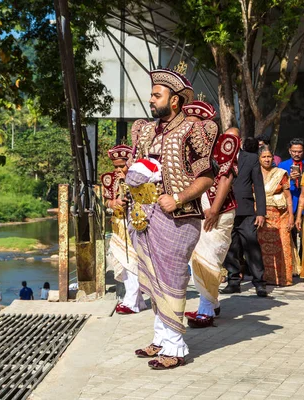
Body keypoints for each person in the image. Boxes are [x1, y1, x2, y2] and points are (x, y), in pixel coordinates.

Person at [127, 64, 217, 369]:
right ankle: (160, 337)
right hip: (144, 213)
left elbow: (207, 177)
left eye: (156, 94)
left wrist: (177, 197)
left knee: (172, 279)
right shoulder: (146, 130)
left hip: (179, 216)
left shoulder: (193, 129)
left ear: (175, 99)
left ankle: (176, 348)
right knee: (153, 279)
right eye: (151, 94)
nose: (151, 99)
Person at [185, 100, 240, 328]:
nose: (190, 129)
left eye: (195, 124)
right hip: (195, 210)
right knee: (195, 258)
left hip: (219, 209)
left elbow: (226, 177)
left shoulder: (223, 145)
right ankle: (211, 301)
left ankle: (206, 310)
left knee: (210, 258)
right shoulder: (185, 149)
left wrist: (215, 209)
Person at [101, 144, 147, 314]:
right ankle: (137, 301)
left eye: (122, 166)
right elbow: (106, 201)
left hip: (137, 225)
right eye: (116, 166)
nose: (119, 169)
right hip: (118, 225)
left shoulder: (140, 178)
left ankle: (131, 301)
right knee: (122, 261)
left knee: (133, 262)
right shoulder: (108, 179)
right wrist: (113, 203)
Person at [221, 136, 268, 297]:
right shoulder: (218, 158)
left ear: (238, 141)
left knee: (251, 246)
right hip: (225, 209)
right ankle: (233, 281)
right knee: (230, 247)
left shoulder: (251, 158)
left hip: (246, 210)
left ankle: (259, 283)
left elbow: (259, 185)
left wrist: (261, 212)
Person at [257, 144, 296, 286]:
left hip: (281, 214)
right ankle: (267, 277)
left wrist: (291, 216)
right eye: (264, 157)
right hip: (261, 215)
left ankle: (284, 278)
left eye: (269, 157)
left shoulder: (280, 173)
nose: (267, 159)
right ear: (259, 158)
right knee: (264, 247)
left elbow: (288, 196)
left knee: (283, 244)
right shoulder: (255, 173)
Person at [278, 138, 304, 272]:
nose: (297, 154)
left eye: (299, 151)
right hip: (289, 206)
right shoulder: (282, 166)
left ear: (303, 152)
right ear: (289, 151)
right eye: (294, 151)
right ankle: (292, 267)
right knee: (290, 236)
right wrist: (290, 179)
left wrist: (301, 178)